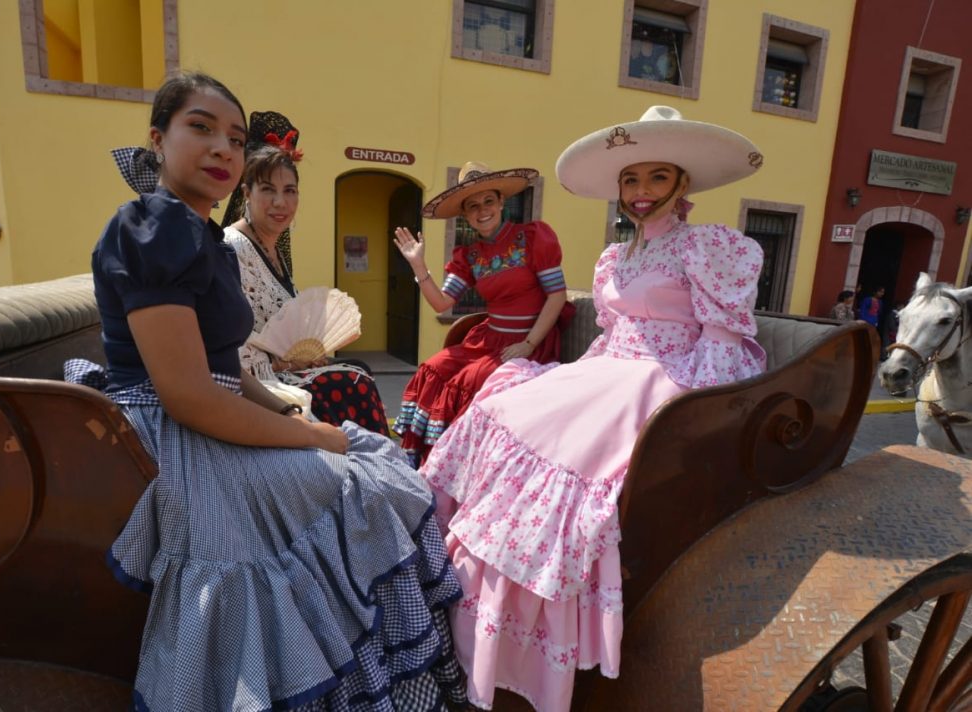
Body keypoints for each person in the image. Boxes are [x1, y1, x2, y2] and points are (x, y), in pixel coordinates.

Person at [84, 72, 465, 710]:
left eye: (234, 138)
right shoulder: (153, 227)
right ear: (158, 139)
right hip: (177, 432)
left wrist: (288, 406)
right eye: (200, 128)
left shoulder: (200, 234)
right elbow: (187, 395)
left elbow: (221, 371)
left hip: (212, 407)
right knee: (368, 484)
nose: (222, 150)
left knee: (374, 451)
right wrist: (307, 433)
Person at [420, 106, 766, 712]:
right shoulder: (616, 258)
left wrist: (697, 414)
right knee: (503, 407)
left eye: (656, 178)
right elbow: (614, 332)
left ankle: (533, 625)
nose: (640, 193)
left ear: (681, 183)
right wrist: (574, 374)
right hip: (609, 369)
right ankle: (462, 585)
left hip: (665, 378)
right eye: (631, 180)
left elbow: (721, 339)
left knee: (569, 467)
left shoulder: (710, 247)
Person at [392, 162, 572, 465]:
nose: (482, 210)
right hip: (488, 340)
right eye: (472, 206)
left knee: (469, 380)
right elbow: (442, 303)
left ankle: (460, 463)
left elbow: (557, 296)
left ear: (502, 202)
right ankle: (425, 459)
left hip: (530, 341)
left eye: (488, 201)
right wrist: (418, 265)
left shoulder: (533, 238)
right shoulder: (470, 256)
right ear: (465, 215)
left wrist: (528, 344)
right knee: (433, 368)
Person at [222, 111, 390, 435]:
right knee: (355, 385)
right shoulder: (231, 248)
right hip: (257, 388)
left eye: (290, 191)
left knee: (359, 370)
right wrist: (284, 363)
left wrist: (300, 359)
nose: (280, 202)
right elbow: (228, 350)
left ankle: (378, 468)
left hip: (284, 374)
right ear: (246, 193)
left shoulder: (276, 252)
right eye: (268, 190)